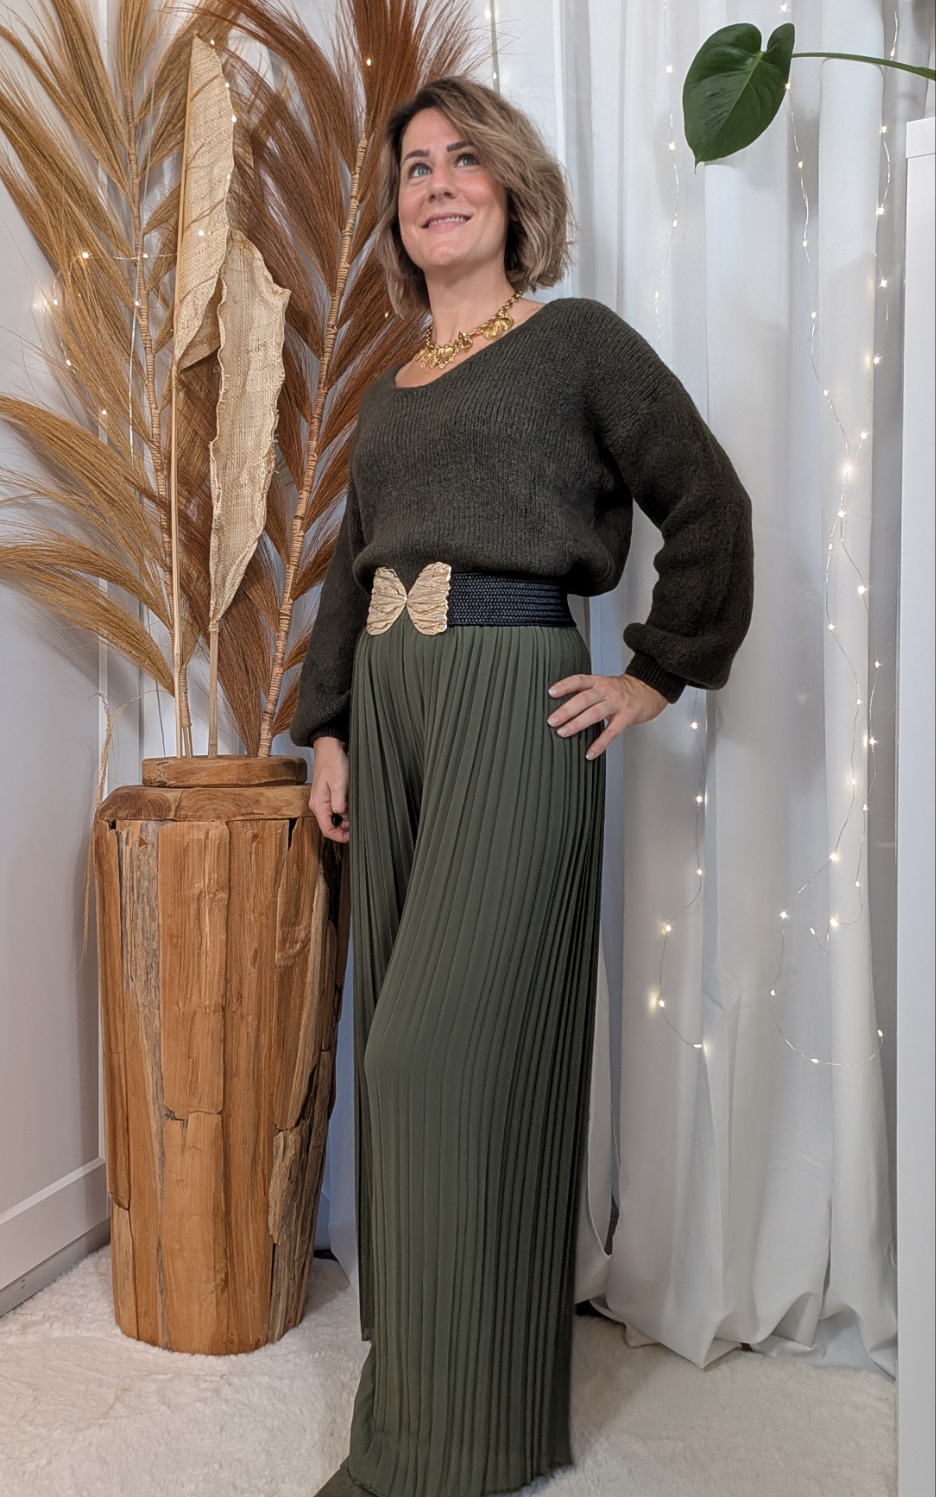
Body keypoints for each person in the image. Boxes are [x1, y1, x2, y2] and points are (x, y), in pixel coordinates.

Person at [290, 75, 754, 1497]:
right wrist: (328, 728)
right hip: (393, 713)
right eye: (414, 168)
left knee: (436, 1063)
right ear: (398, 212)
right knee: (405, 1073)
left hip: (510, 700)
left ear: (511, 188)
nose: (436, 183)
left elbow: (709, 501)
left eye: (462, 161)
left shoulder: (575, 344)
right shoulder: (388, 396)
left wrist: (658, 671)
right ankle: (451, 1406)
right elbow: (352, 571)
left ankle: (427, 1453)